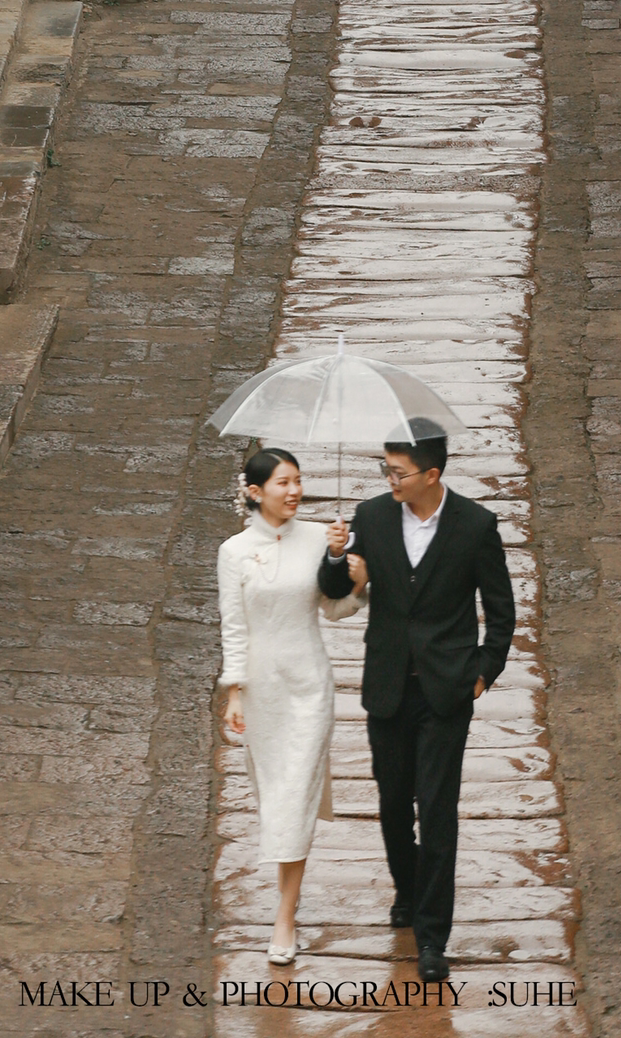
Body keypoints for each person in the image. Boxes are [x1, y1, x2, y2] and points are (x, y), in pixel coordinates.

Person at [315, 420, 516, 984]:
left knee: (437, 811)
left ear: (431, 474)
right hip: (387, 686)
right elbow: (339, 592)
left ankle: (432, 937)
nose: (390, 479)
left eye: (398, 472)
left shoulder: (475, 525)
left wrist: (482, 674)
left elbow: (502, 612)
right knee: (392, 804)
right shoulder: (372, 517)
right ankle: (407, 888)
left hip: (445, 693)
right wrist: (335, 559)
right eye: (386, 469)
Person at [217, 448, 367, 967]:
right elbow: (234, 626)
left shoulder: (320, 538)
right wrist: (235, 690)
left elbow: (334, 609)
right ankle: (287, 899)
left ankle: (285, 914)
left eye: (298, 480)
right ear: (255, 491)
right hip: (262, 691)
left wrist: (355, 578)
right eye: (283, 482)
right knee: (276, 796)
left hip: (309, 686)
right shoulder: (234, 551)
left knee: (298, 792)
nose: (295, 491)